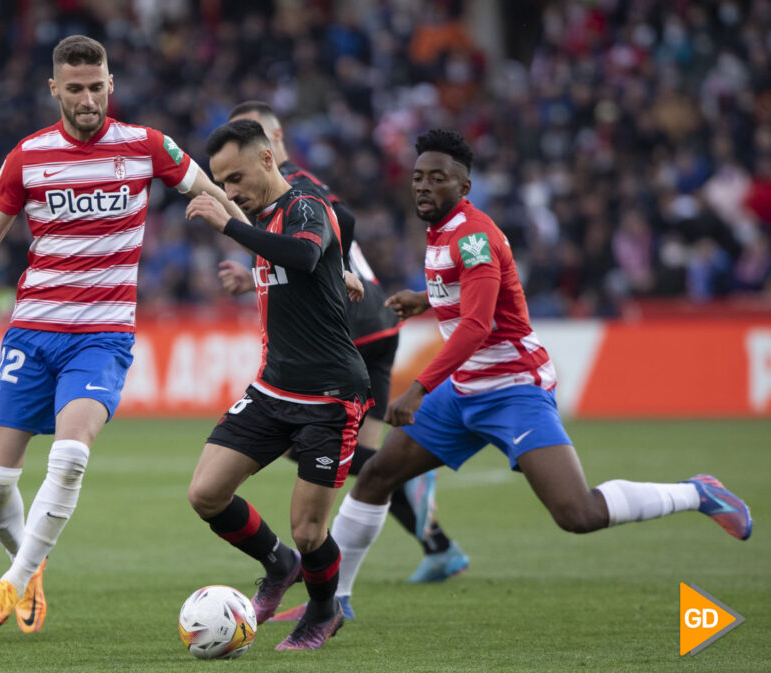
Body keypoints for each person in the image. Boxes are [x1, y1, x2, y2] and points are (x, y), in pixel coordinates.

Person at [0, 35, 249, 633]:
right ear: (54, 90)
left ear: (110, 84)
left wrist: (258, 253)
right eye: (75, 89)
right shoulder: (28, 156)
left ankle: (11, 586)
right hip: (32, 333)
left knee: (69, 457)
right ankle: (29, 569)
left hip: (102, 335)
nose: (87, 99)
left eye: (96, 86)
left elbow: (216, 193)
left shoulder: (146, 146)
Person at [330, 128, 753, 606]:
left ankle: (698, 492)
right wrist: (425, 299)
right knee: (376, 477)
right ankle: (332, 602)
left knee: (578, 513)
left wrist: (419, 388)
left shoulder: (472, 236)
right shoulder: (442, 231)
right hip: (465, 389)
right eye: (418, 177)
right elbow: (471, 290)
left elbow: (477, 324)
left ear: (463, 187)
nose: (423, 186)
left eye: (438, 178)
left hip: (513, 390)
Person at [217, 102, 468, 619]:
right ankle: (436, 545)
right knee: (345, 457)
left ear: (273, 141)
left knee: (321, 446)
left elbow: (340, 224)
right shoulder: (271, 191)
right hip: (374, 326)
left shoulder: (293, 184)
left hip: (349, 331)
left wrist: (333, 273)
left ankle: (397, 485)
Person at [184, 118, 371, 650]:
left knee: (310, 530)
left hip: (331, 395)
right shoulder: (267, 219)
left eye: (236, 177)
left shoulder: (306, 205)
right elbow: (304, 264)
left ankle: (322, 610)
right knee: (206, 494)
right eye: (222, 182)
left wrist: (228, 223)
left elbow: (308, 253)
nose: (230, 191)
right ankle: (277, 563)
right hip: (272, 389)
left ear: (268, 159)